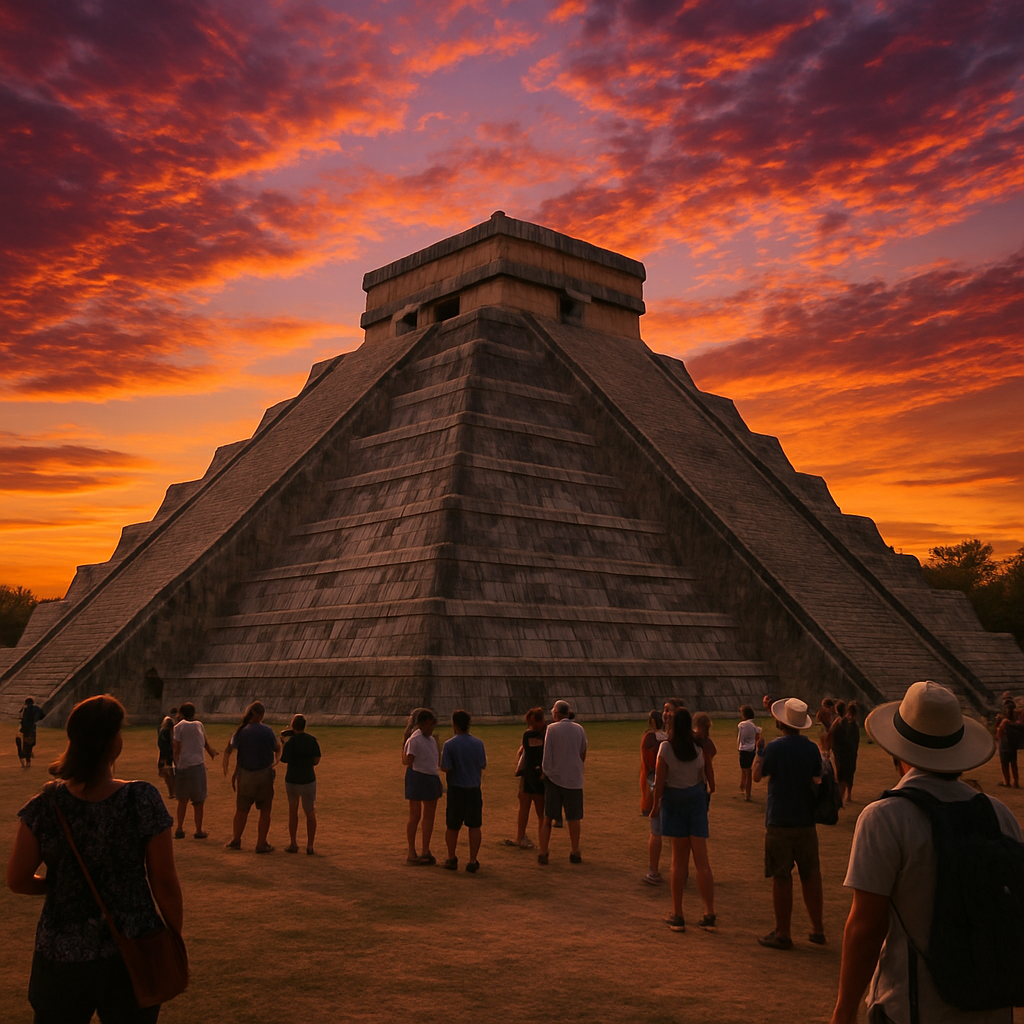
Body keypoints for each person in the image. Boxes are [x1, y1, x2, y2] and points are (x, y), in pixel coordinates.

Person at [829, 680, 1022, 1024]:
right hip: (992, 1004)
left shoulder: (886, 818)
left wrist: (844, 1011)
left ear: (899, 751)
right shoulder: (999, 815)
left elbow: (866, 927)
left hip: (913, 1006)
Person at [6, 694, 183, 1024]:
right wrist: (174, 935)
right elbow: (164, 881)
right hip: (132, 946)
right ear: (114, 742)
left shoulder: (44, 804)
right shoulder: (141, 798)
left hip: (61, 949)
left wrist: (56, 885)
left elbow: (17, 879)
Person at [753, 696, 826, 950]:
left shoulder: (774, 748)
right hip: (805, 819)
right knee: (811, 874)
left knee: (781, 876)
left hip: (780, 819)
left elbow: (757, 776)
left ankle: (783, 932)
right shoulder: (811, 748)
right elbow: (817, 777)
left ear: (781, 722)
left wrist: (758, 753)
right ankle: (817, 928)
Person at [651, 707, 716, 933]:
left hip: (675, 802)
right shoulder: (698, 746)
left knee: (678, 862)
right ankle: (709, 912)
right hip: (696, 800)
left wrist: (655, 805)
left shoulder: (666, 748)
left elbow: (660, 781)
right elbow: (704, 772)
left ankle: (678, 914)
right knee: (702, 861)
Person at [223, 700, 280, 853]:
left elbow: (229, 750)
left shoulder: (241, 731)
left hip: (245, 775)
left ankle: (236, 839)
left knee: (241, 810)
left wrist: (229, 768)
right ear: (262, 715)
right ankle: (261, 843)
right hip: (264, 774)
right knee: (265, 810)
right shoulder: (267, 731)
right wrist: (276, 761)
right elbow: (277, 748)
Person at [538, 699, 587, 865]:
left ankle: (543, 852)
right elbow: (583, 753)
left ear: (557, 714)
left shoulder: (551, 729)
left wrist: (547, 773)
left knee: (548, 818)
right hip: (574, 779)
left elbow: (547, 755)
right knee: (574, 818)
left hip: (555, 779)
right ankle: (575, 851)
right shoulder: (579, 729)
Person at [441, 709, 487, 873]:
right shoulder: (478, 743)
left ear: (454, 724)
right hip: (473, 789)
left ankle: (451, 857)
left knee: (452, 826)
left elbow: (446, 767)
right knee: (474, 825)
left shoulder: (449, 745)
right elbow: (482, 764)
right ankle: (473, 859)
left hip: (456, 789)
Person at [171, 702, 218, 839]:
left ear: (181, 713)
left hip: (183, 766)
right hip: (197, 766)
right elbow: (205, 742)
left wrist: (176, 762)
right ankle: (198, 830)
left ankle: (179, 828)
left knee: (182, 800)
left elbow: (177, 747)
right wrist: (211, 752)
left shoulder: (178, 727)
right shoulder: (199, 725)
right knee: (198, 801)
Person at [403, 708, 442, 865]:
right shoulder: (415, 739)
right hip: (418, 775)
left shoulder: (430, 739)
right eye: (430, 725)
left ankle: (425, 849)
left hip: (430, 775)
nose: (432, 728)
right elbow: (408, 761)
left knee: (429, 815)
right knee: (415, 815)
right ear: (423, 723)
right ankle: (411, 851)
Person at [504, 707, 546, 850]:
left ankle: (521, 837)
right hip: (539, 776)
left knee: (525, 807)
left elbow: (528, 751)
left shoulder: (529, 735)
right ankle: (542, 842)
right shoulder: (546, 734)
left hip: (529, 775)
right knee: (540, 813)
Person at [280, 714, 321, 855]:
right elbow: (316, 760)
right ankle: (310, 845)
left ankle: (293, 843)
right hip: (308, 779)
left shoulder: (290, 742)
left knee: (293, 811)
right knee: (309, 811)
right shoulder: (311, 740)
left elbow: (284, 759)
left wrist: (283, 744)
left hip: (292, 779)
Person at [641, 710, 668, 884]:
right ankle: (682, 872)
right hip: (673, 785)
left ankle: (654, 871)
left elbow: (648, 763)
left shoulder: (650, 738)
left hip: (655, 782)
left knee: (656, 831)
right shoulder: (670, 738)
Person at [831, 701, 861, 804]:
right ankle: (841, 797)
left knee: (848, 774)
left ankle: (847, 795)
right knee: (843, 776)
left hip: (848, 754)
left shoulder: (851, 726)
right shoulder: (842, 723)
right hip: (844, 754)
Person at [737, 705, 762, 801]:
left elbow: (740, 738)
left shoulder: (741, 725)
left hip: (743, 749)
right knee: (748, 771)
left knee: (744, 770)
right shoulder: (753, 726)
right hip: (751, 750)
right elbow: (758, 733)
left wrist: (738, 746)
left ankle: (743, 786)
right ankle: (747, 793)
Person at [693, 712, 718, 805]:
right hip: (700, 781)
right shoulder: (707, 743)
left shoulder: (691, 738)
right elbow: (708, 765)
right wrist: (712, 784)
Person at [995, 702, 1020, 788]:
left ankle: (1007, 781)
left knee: (1004, 764)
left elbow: (998, 735)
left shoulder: (1004, 722)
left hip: (1004, 745)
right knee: (1013, 763)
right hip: (1013, 745)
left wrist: (998, 725)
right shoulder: (1016, 722)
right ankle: (1016, 782)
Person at [16, 697, 45, 768]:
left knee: (26, 745)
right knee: (31, 743)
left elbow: (24, 719)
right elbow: (43, 715)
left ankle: (27, 761)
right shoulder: (37, 708)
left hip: (26, 729)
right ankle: (28, 760)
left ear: (26, 703)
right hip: (32, 728)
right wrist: (36, 719)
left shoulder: (26, 710)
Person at [156, 711, 176, 799]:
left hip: (165, 754)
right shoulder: (166, 731)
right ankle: (172, 791)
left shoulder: (164, 731)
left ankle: (172, 791)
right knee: (168, 773)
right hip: (168, 754)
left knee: (167, 773)